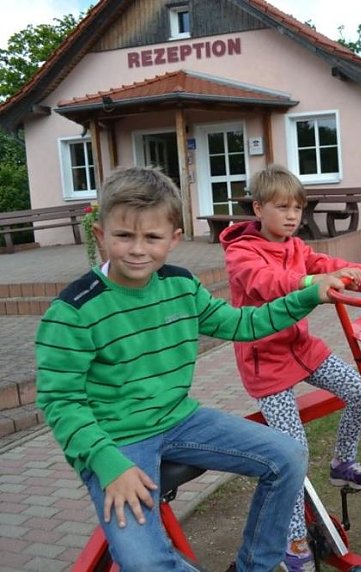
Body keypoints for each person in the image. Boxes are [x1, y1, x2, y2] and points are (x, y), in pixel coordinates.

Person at [35, 166, 344, 572]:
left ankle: (256, 565)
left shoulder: (180, 286)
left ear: (174, 238)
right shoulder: (73, 310)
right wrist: (107, 463)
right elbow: (61, 401)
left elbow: (241, 324)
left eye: (152, 237)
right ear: (100, 234)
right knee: (145, 563)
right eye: (124, 236)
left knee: (288, 454)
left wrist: (307, 295)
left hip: (179, 420)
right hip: (114, 440)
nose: (138, 250)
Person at [220, 164, 361, 570]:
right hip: (267, 363)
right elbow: (266, 282)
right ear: (259, 208)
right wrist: (312, 284)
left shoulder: (296, 247)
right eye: (282, 207)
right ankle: (292, 541)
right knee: (292, 453)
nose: (292, 216)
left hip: (301, 348)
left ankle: (342, 461)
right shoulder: (241, 253)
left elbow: (328, 263)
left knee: (360, 388)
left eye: (297, 208)